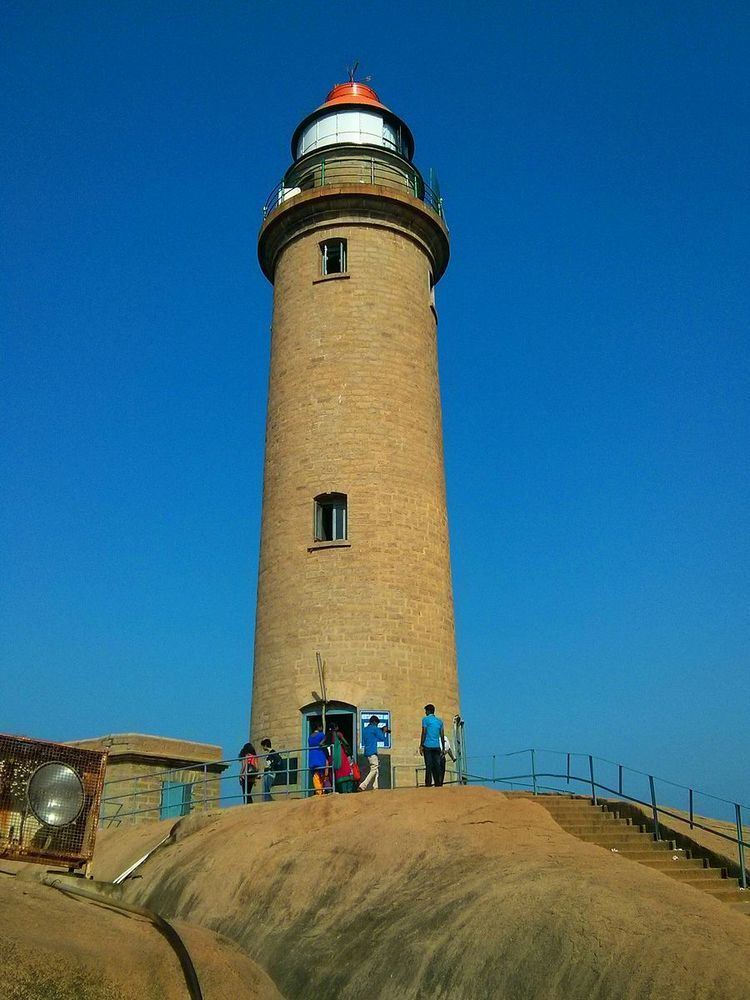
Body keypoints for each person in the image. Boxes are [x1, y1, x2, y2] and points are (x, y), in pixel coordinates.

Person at [359, 715, 390, 791]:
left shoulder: (365, 729)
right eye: (377, 723)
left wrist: (380, 730)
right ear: (374, 722)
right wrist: (383, 731)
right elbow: (382, 738)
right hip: (372, 751)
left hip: (367, 751)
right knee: (374, 769)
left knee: (376, 770)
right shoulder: (375, 728)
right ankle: (363, 785)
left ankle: (375, 786)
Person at [420, 704, 445, 787]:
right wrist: (443, 748)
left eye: (426, 711)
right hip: (437, 746)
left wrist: (421, 745)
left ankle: (428, 783)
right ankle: (438, 783)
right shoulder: (439, 721)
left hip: (427, 745)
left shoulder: (425, 720)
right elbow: (442, 735)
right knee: (437, 765)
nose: (425, 712)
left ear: (428, 711)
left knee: (428, 765)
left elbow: (424, 732)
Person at [329, 724, 356, 793]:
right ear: (336, 728)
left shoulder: (329, 735)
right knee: (346, 770)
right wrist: (348, 751)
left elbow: (321, 743)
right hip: (340, 754)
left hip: (333, 756)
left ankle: (342, 790)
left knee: (338, 773)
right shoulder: (338, 734)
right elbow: (346, 743)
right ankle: (349, 790)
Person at [308, 721, 329, 796]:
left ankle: (318, 791)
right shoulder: (321, 735)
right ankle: (321, 791)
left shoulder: (310, 737)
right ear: (319, 727)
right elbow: (322, 742)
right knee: (322, 774)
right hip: (320, 756)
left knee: (315, 775)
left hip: (312, 757)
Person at [260, 738, 284, 802]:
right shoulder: (270, 753)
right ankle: (268, 801)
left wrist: (271, 766)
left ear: (265, 745)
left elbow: (278, 760)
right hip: (267, 773)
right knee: (266, 790)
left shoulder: (273, 752)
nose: (262, 748)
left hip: (270, 774)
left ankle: (268, 802)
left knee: (267, 790)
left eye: (262, 746)